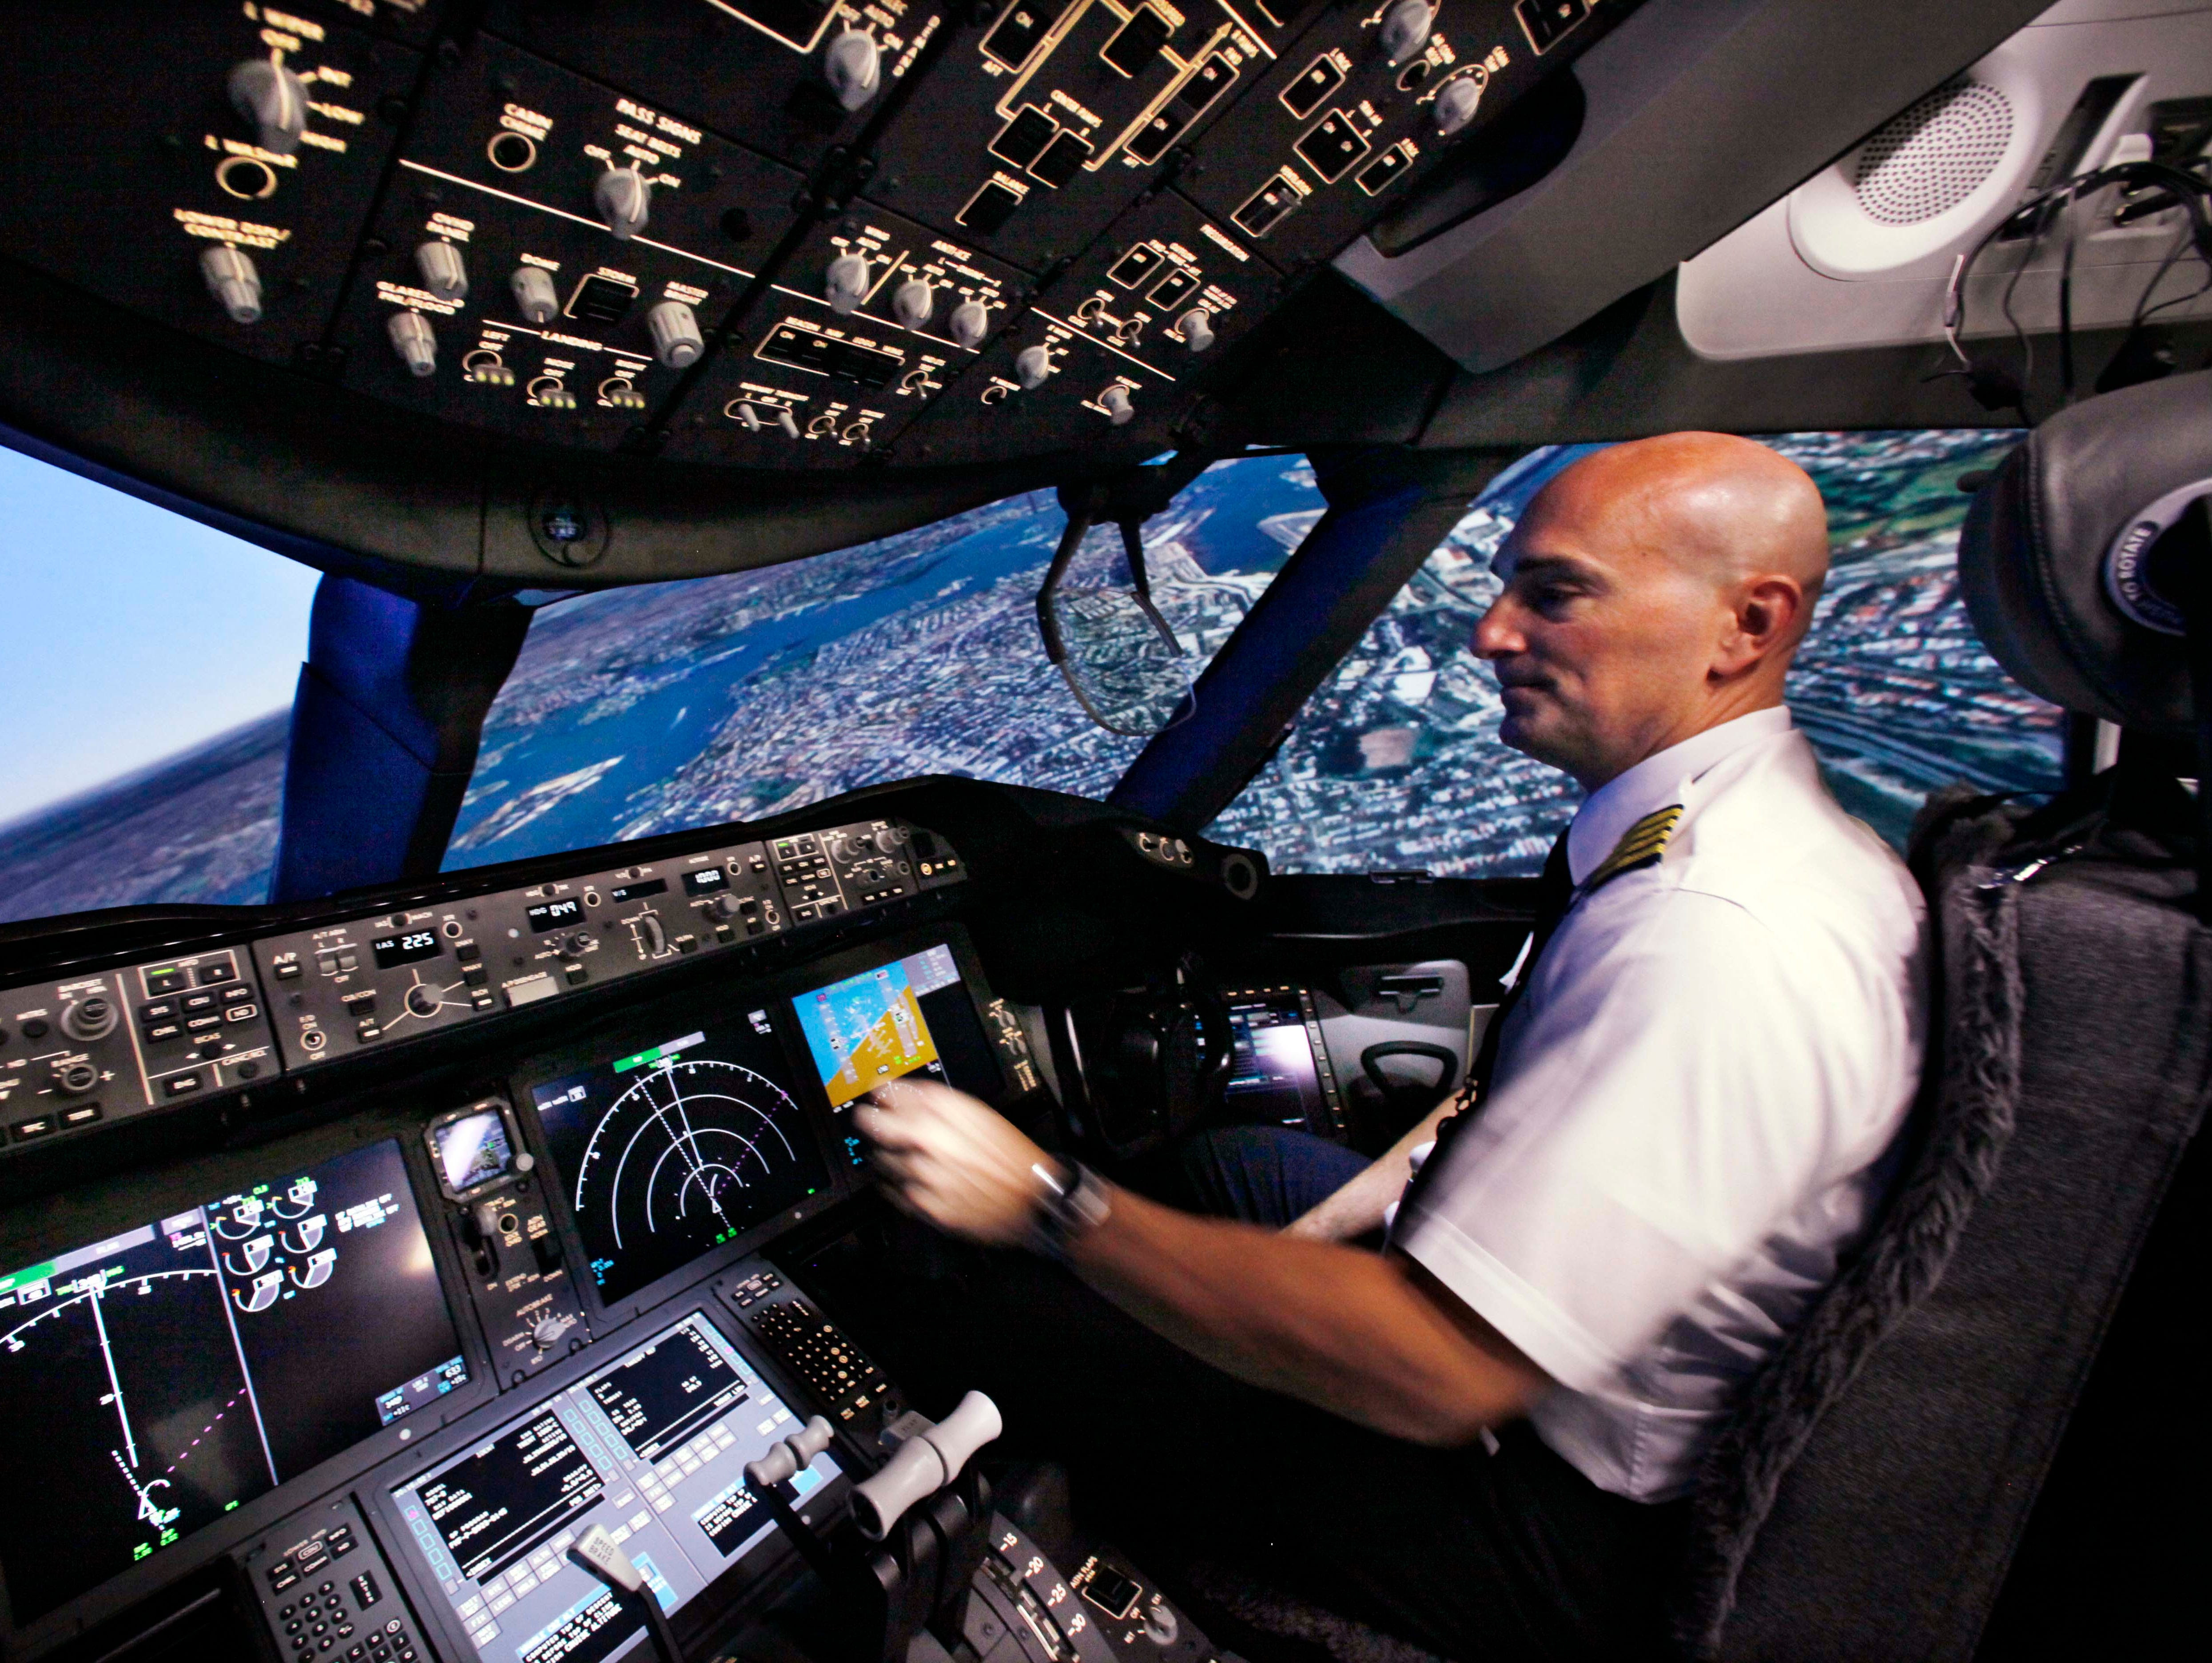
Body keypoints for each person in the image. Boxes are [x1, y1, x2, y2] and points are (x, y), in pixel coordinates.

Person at [857, 433, 1927, 1658]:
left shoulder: (1709, 935)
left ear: (1745, 623)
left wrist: (1048, 1203)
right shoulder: (1734, 838)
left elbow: (1439, 1374)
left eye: (1557, 592)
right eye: (1507, 584)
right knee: (1232, 1175)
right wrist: (1379, 1192)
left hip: (1558, 1519)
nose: (1492, 634)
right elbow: (1541, 1074)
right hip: (1612, 1372)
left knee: (1012, 1313)